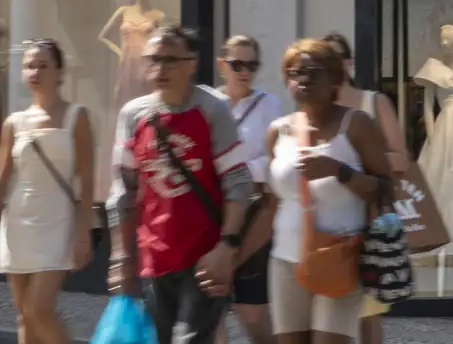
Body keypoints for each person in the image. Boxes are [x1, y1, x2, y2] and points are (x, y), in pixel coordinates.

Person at [107, 25, 254, 344]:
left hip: (204, 257)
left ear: (192, 64)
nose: (160, 68)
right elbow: (122, 190)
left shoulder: (213, 109)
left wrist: (226, 247)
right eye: (153, 59)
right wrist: (121, 256)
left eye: (170, 60)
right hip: (153, 257)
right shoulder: (133, 114)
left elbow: (238, 182)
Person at [266, 39, 391, 344]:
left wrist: (339, 171)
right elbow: (271, 203)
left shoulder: (356, 124)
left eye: (314, 72)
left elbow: (386, 188)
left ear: (335, 78)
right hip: (285, 258)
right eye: (295, 73)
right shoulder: (278, 131)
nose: (304, 79)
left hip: (341, 255)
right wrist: (235, 253)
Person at [0, 40, 95, 344]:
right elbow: (3, 177)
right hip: (18, 222)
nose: (35, 72)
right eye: (29, 66)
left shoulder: (76, 116)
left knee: (37, 309)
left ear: (59, 72)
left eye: (43, 65)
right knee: (24, 315)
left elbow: (87, 179)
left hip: (57, 221)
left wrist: (83, 232)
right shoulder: (14, 123)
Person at [321, 32, 410, 344]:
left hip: (368, 218)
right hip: (325, 223)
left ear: (349, 63)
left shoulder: (373, 102)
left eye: (335, 57)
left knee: (367, 310)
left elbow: (401, 158)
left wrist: (355, 162)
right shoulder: (316, 109)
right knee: (329, 308)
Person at [212, 35, 285, 344]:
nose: (244, 72)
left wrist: (233, 169)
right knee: (212, 310)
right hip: (211, 213)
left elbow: (276, 159)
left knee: (252, 312)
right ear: (222, 66)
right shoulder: (208, 102)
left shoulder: (269, 104)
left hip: (254, 213)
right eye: (237, 64)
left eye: (252, 65)